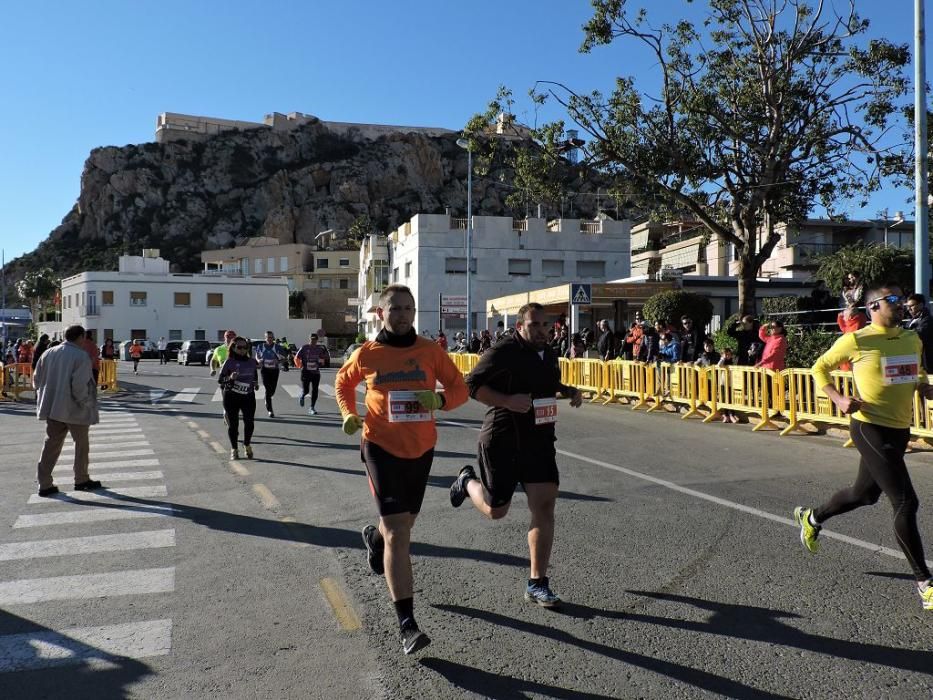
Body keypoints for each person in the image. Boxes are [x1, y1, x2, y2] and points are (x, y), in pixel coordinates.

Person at [335, 284, 468, 655]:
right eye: (394, 308)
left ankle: (374, 541)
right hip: (379, 445)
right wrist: (349, 414)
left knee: (402, 525)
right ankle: (407, 624)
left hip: (421, 448)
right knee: (398, 531)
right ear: (381, 313)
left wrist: (440, 399)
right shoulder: (368, 353)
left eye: (408, 308)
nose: (402, 314)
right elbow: (343, 382)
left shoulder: (430, 351)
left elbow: (461, 388)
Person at [794, 283, 933, 611]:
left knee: (864, 494)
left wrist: (923, 385)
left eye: (901, 299)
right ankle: (925, 584)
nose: (900, 305)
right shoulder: (856, 339)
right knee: (905, 502)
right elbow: (818, 368)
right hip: (870, 427)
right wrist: (839, 397)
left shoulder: (912, 338)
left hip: (900, 429)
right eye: (893, 301)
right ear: (873, 308)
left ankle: (812, 518)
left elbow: (916, 373)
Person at [450, 302, 583, 609]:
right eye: (533, 325)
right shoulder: (504, 350)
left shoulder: (549, 353)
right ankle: (467, 481)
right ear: (520, 325)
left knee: (545, 506)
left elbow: (545, 385)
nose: (541, 331)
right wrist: (507, 400)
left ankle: (537, 583)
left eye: (545, 325)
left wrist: (569, 390)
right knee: (497, 511)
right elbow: (471, 385)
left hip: (539, 440)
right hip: (502, 440)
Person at [32, 325, 104, 497]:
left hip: (53, 408)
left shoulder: (48, 353)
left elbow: (36, 380)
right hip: (74, 409)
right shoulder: (80, 356)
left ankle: (44, 483)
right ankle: (81, 479)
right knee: (81, 446)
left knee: (51, 446)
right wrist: (86, 403)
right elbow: (79, 386)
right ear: (80, 337)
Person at [218, 336, 258, 460]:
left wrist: (255, 383)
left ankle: (247, 445)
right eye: (239, 347)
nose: (242, 350)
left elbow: (254, 374)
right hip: (231, 397)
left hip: (248, 396)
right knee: (233, 425)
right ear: (233, 348)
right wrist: (230, 378)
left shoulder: (251, 361)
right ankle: (234, 449)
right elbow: (220, 380)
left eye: (245, 347)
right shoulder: (229, 362)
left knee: (249, 423)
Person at [295, 332, 330, 415]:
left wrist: (322, 362)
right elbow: (297, 357)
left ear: (317, 340)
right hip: (306, 372)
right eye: (312, 339)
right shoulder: (304, 348)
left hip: (316, 373)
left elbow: (323, 358)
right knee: (306, 390)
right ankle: (302, 395)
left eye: (315, 339)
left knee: (315, 390)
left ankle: (312, 407)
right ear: (309, 339)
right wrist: (300, 365)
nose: (313, 341)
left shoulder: (319, 349)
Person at [255, 330, 288, 418]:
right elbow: (257, 356)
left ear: (273, 338)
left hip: (274, 370)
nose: (269, 339)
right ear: (265, 338)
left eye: (271, 337)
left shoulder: (277, 347)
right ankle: (270, 410)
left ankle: (267, 398)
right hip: (264, 370)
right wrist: (259, 361)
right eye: (267, 337)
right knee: (267, 389)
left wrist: (278, 361)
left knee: (272, 390)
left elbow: (285, 358)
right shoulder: (260, 346)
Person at [836, 304, 869, 372]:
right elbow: (842, 325)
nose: (843, 318)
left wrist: (841, 315)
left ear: (849, 317)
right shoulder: (859, 320)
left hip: (850, 350)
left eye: (844, 317)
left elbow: (842, 325)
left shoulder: (850, 328)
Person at [905, 294, 933, 372]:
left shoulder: (928, 320)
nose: (909, 309)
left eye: (911, 306)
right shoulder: (910, 321)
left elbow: (919, 334)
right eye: (907, 306)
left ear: (921, 305)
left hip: (927, 363)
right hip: (914, 360)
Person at [716, 347, 739, 423]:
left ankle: (732, 414)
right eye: (726, 354)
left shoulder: (733, 361)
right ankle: (726, 415)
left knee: (731, 399)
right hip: (723, 382)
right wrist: (723, 358)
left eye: (729, 354)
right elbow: (719, 365)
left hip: (731, 383)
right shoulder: (722, 361)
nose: (727, 356)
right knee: (724, 398)